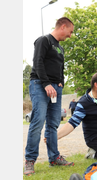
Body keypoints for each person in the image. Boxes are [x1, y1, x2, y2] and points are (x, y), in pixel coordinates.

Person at [24, 17, 75, 176]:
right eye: (70, 31)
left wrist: (60, 82)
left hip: (55, 88)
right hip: (40, 84)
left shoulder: (60, 48)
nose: (70, 35)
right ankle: (30, 160)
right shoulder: (44, 40)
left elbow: (60, 67)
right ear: (63, 26)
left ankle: (54, 158)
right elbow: (37, 61)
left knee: (53, 124)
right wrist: (46, 83)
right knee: (38, 121)